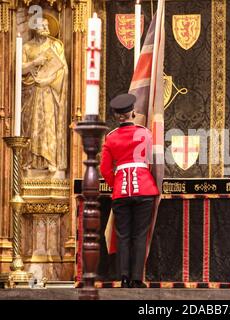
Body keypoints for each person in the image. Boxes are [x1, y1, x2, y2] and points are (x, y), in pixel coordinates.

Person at [100, 93, 159, 288]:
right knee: (140, 235)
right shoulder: (144, 133)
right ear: (132, 112)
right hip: (144, 189)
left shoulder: (110, 138)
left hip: (121, 192)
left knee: (123, 236)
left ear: (117, 116)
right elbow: (153, 162)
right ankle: (136, 279)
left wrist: (115, 184)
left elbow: (104, 169)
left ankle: (124, 278)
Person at [21, 16, 68, 175]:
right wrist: (34, 63)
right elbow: (19, 69)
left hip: (49, 91)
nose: (46, 29)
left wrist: (47, 80)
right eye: (43, 26)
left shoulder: (56, 46)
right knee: (32, 125)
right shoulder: (27, 47)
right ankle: (31, 159)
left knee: (48, 124)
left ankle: (50, 160)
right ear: (35, 27)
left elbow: (62, 70)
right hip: (31, 92)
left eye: (48, 26)